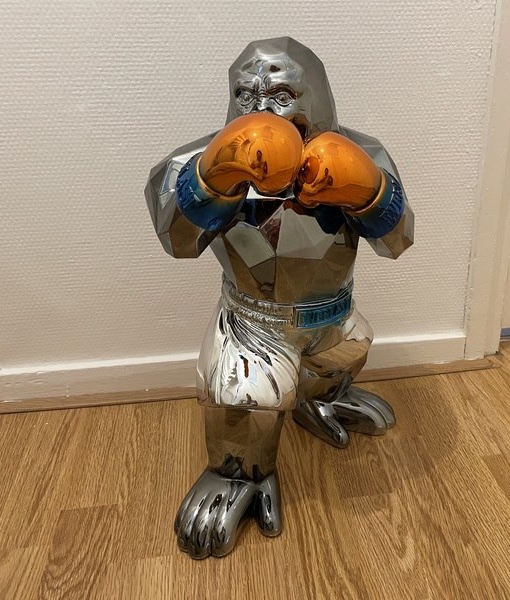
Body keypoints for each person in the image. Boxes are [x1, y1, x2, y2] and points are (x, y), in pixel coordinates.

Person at [146, 36, 414, 559]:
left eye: (282, 94)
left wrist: (372, 191)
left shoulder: (363, 153)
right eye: (246, 95)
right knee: (245, 397)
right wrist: (210, 177)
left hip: (334, 315)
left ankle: (320, 399)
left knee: (352, 349)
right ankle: (236, 475)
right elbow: (175, 240)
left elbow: (398, 240)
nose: (262, 109)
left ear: (317, 95)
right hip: (253, 326)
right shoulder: (206, 159)